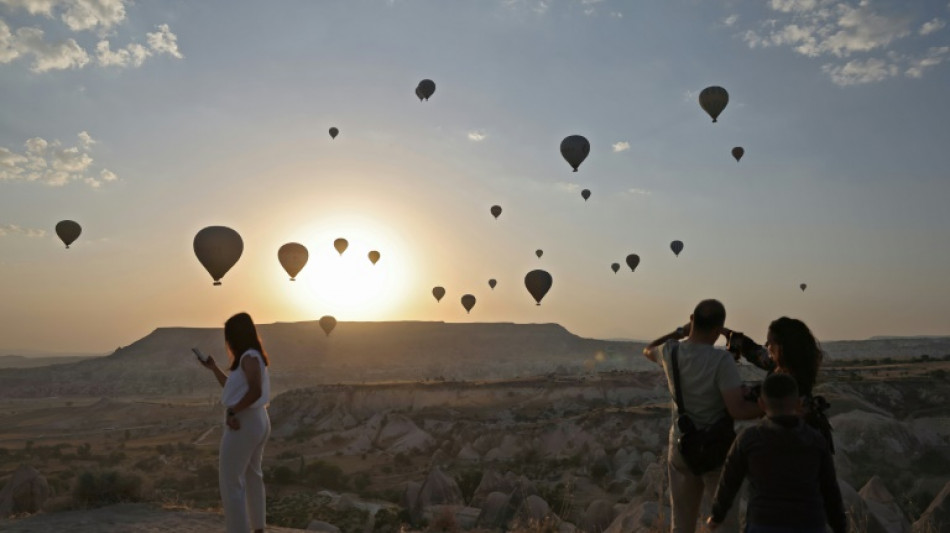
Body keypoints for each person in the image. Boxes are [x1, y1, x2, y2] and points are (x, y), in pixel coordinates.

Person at [642, 299, 762, 533]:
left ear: (692, 319)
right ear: (718, 331)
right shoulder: (721, 360)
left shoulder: (670, 351)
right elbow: (737, 410)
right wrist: (767, 408)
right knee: (725, 524)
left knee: (681, 523)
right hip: (716, 452)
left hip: (682, 446)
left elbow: (647, 349)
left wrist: (679, 332)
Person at [706, 373, 846, 533]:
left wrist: (716, 516)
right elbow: (830, 490)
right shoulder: (815, 440)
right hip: (809, 523)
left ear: (761, 404)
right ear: (798, 403)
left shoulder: (748, 439)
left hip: (763, 523)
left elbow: (728, 483)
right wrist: (839, 526)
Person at [200, 312, 272, 533]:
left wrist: (233, 411)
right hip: (258, 419)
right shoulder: (249, 357)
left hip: (245, 421)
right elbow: (233, 388)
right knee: (252, 475)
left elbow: (255, 390)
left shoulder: (248, 357)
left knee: (231, 481)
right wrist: (213, 368)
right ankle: (258, 528)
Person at [723, 317, 833, 453]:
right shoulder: (787, 364)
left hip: (796, 443)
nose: (766, 345)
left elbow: (769, 397)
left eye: (769, 343)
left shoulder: (791, 378)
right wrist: (727, 333)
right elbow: (757, 353)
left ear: (782, 347)